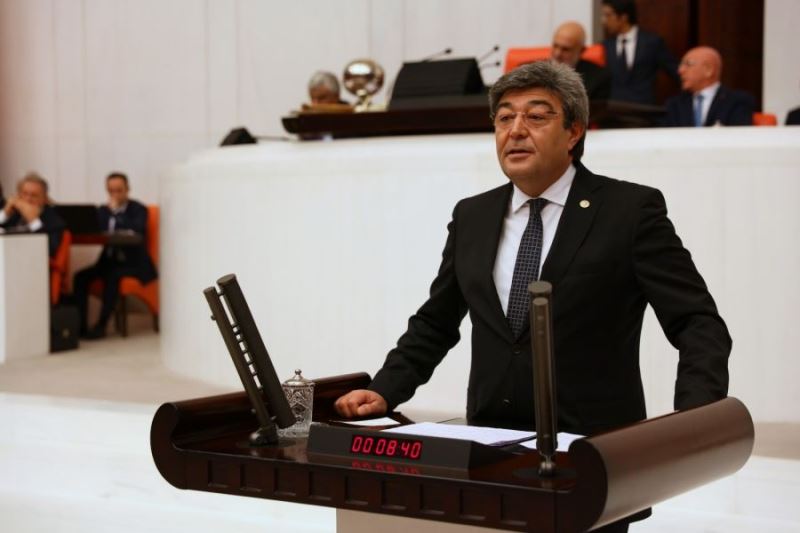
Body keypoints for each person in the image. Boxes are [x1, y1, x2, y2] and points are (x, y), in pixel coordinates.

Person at [335, 62, 730, 527]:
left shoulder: (629, 211)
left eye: (537, 116)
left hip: (593, 459)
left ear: (574, 131)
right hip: (490, 454)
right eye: (504, 118)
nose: (516, 130)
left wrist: (693, 418)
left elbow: (697, 322)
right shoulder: (473, 216)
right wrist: (385, 389)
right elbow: (436, 322)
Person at [73, 172, 157, 339]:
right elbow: (96, 231)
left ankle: (101, 326)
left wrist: (116, 213)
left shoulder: (138, 209)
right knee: (80, 277)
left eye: (119, 190)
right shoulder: (102, 211)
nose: (115, 194)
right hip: (108, 262)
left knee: (112, 275)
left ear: (127, 189)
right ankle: (80, 328)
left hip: (134, 264)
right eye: (111, 191)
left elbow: (137, 230)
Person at [601, 0, 679, 104]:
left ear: (623, 17)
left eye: (608, 15)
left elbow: (675, 71)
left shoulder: (652, 42)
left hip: (644, 108)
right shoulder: (606, 45)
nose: (604, 21)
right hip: (614, 108)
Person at [662, 46, 754, 127]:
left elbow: (739, 136)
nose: (680, 70)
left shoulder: (737, 102)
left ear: (708, 70)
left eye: (688, 64)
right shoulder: (674, 105)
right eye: (681, 65)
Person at [0, 172, 65, 257]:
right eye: (24, 194)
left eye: (34, 195)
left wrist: (34, 221)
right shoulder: (13, 215)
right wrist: (4, 214)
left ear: (45, 198)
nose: (28, 199)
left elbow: (49, 250)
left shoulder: (54, 220)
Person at [551, 21, 611, 101]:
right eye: (555, 46)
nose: (557, 54)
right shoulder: (538, 71)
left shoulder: (599, 78)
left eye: (566, 49)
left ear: (581, 51)